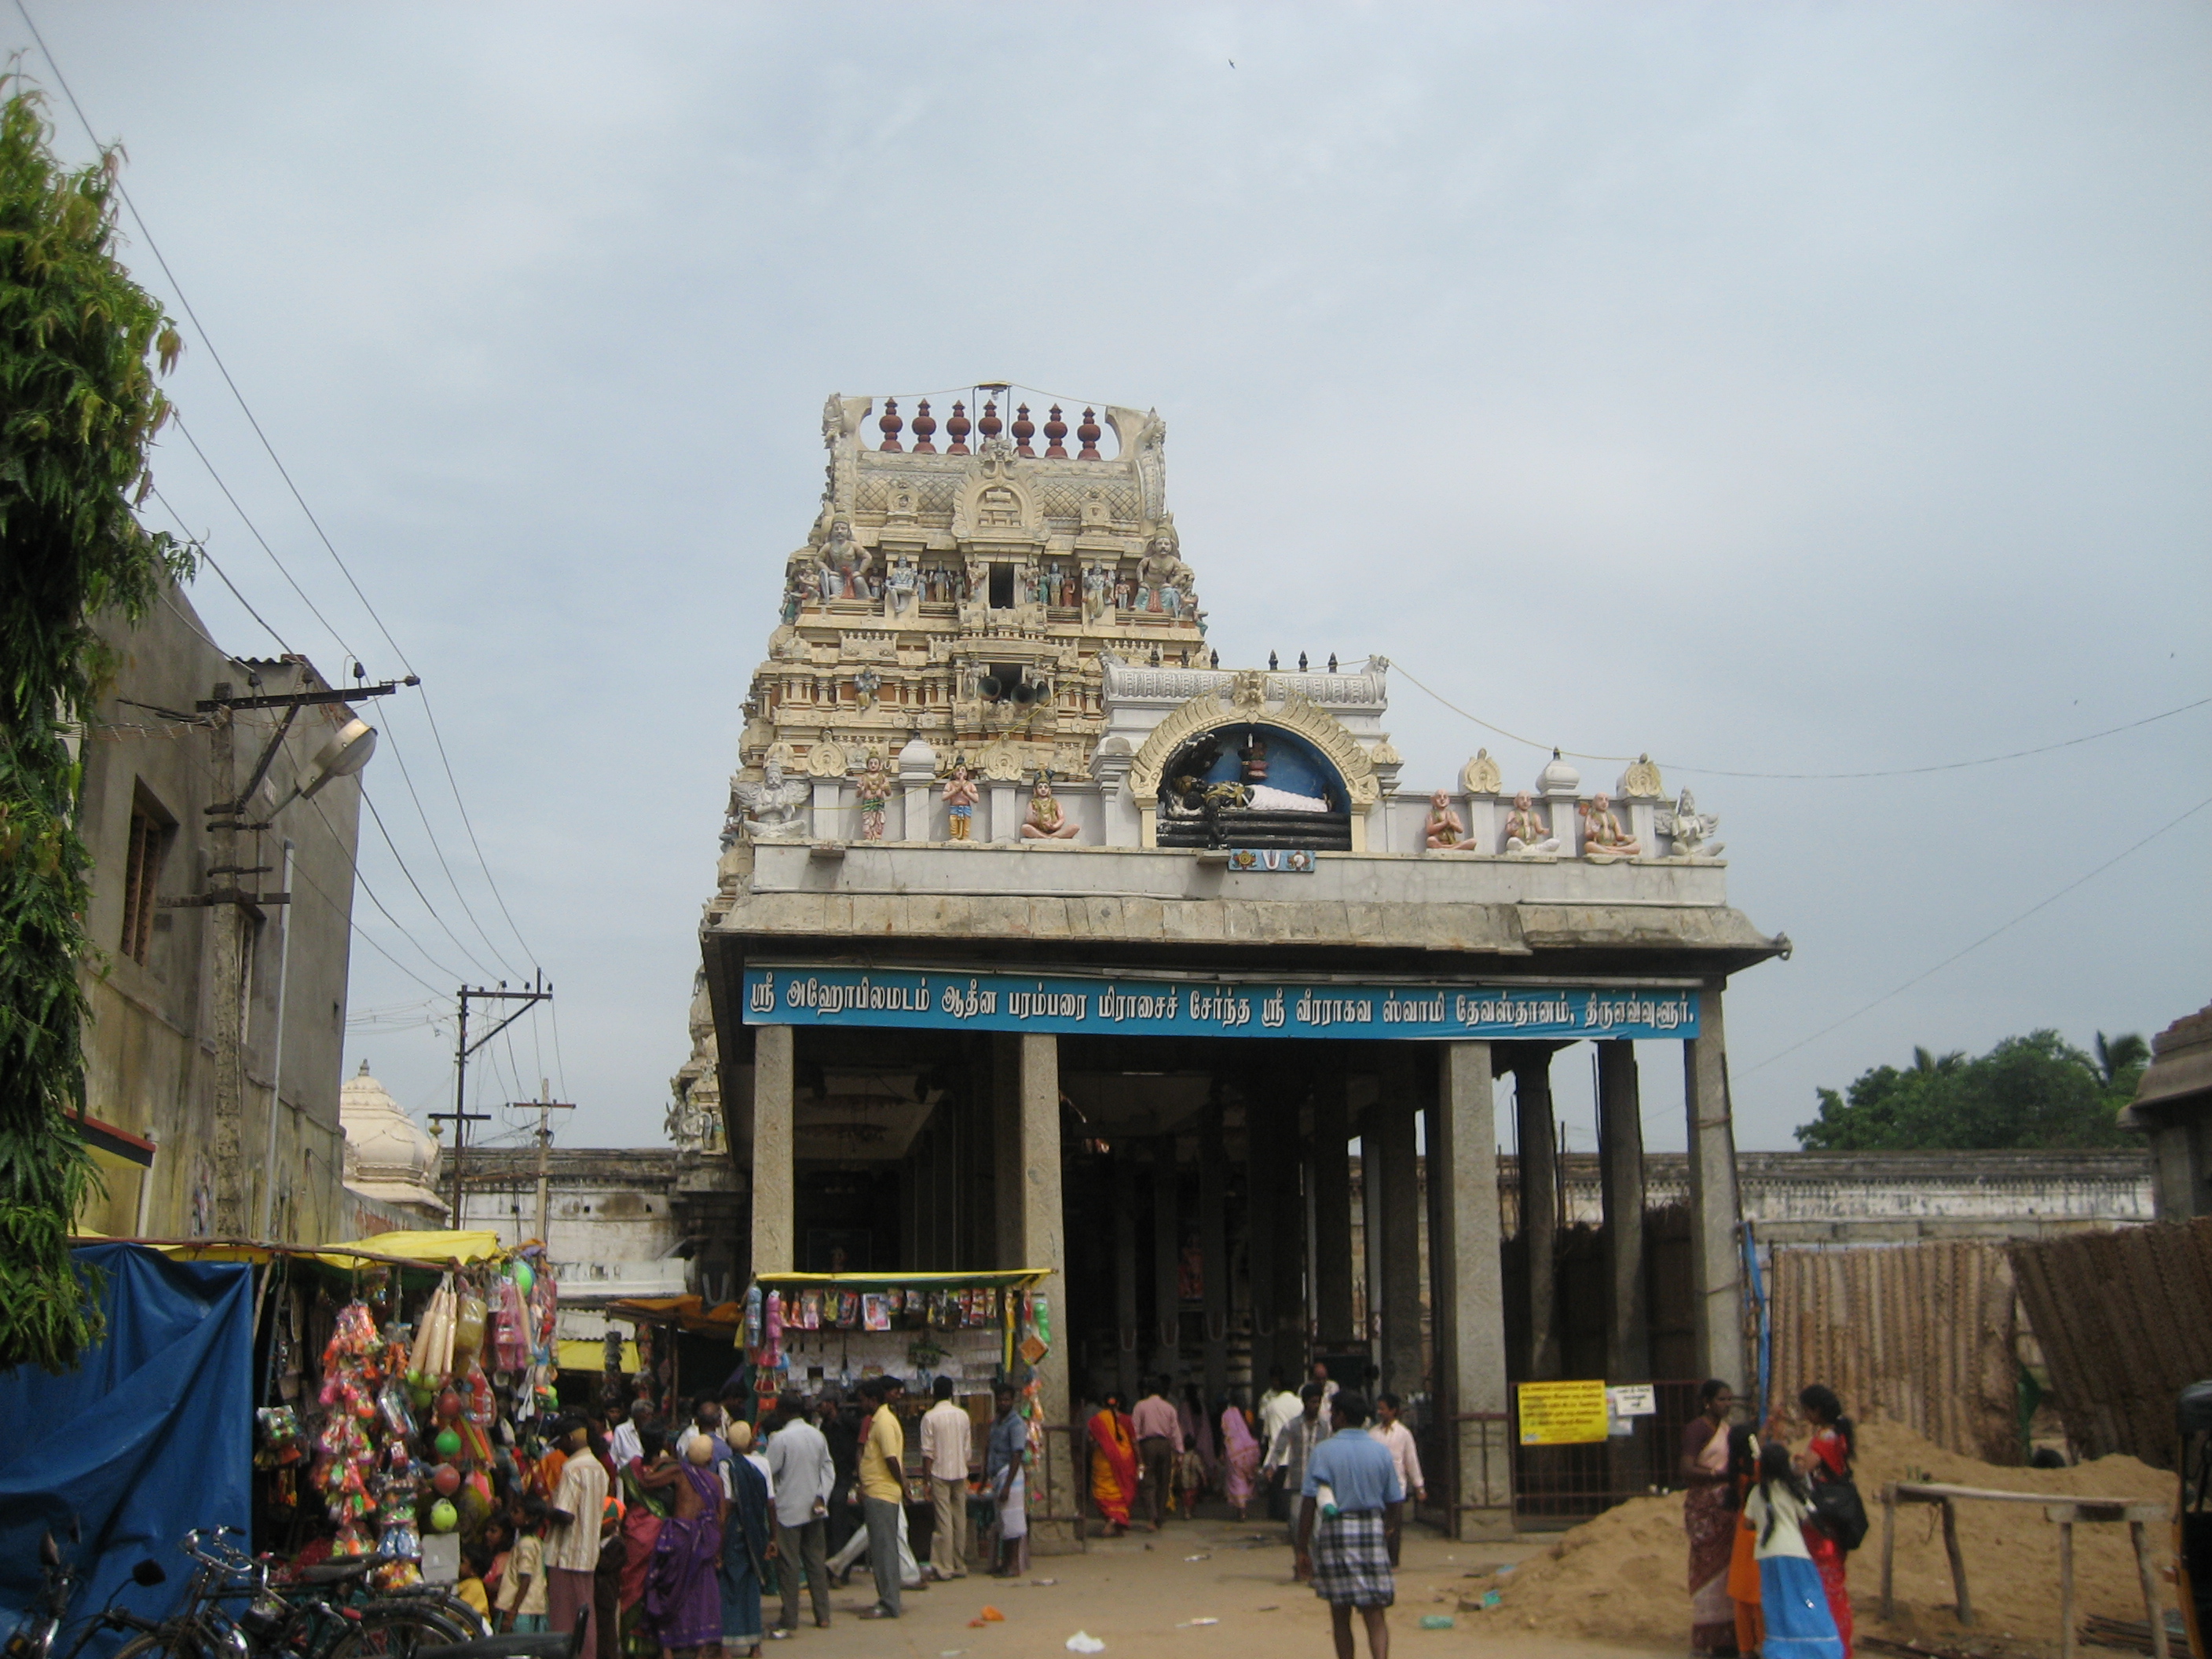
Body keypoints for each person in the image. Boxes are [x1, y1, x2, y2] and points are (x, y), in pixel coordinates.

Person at [1294, 1393, 1403, 1659]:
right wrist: (1388, 1530)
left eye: (1332, 1413)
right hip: (1371, 1530)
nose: (1330, 1417)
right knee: (1375, 1614)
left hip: (1336, 1533)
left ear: (1341, 1416)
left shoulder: (1324, 1451)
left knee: (1340, 1614)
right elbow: (1395, 1502)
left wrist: (1301, 1547)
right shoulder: (1380, 1451)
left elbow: (1308, 1503)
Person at [1745, 1441, 1843, 1659]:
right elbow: (1809, 1517)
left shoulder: (1756, 1493)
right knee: (1807, 1600)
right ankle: (1820, 1649)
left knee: (1776, 1604)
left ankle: (1782, 1651)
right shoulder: (1794, 1490)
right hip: (1795, 1553)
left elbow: (1748, 1523)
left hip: (1767, 1556)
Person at [640, 1434, 726, 1659]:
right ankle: (700, 1650)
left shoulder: (679, 1472)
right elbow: (721, 1519)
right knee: (703, 1594)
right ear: (710, 1459)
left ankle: (667, 1650)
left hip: (680, 1536)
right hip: (705, 1542)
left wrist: (659, 1463)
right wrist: (717, 1551)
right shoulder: (716, 1481)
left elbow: (646, 1482)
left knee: (672, 1592)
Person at [1793, 1386, 1856, 1659]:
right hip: (1837, 1516)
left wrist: (1795, 1461)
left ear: (1816, 1411)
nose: (1805, 1415)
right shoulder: (1839, 1434)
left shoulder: (1824, 1438)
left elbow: (1804, 1469)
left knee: (1824, 1583)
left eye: (1807, 1410)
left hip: (1823, 1520)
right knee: (1834, 1580)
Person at [763, 1392, 833, 1635]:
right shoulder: (817, 1435)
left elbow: (768, 1471)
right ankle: (822, 1614)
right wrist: (821, 1495)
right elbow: (828, 1469)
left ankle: (790, 1617)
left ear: (782, 1411)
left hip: (788, 1509)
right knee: (816, 1561)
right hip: (815, 1506)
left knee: (789, 1565)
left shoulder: (781, 1439)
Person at [1682, 1379, 1739, 1657]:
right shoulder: (1697, 1429)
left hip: (1727, 1508)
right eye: (1721, 1400)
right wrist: (1720, 1476)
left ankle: (1729, 1635)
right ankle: (1708, 1634)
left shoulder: (1728, 1430)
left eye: (1730, 1400)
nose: (1727, 1405)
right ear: (1708, 1402)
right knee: (1708, 1567)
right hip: (1705, 1508)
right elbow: (1687, 1468)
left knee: (1729, 1567)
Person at [545, 1417, 610, 1658]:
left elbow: (566, 1514)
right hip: (588, 1552)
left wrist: (544, 1509)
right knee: (585, 1615)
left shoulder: (573, 1468)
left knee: (564, 1619)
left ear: (569, 1439)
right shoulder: (598, 1469)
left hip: (566, 1554)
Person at [854, 1376, 906, 1620]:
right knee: (883, 1549)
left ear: (873, 1400)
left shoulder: (884, 1422)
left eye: (863, 1400)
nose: (860, 1404)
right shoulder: (877, 1420)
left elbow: (891, 1458)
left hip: (882, 1493)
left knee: (884, 1550)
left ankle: (888, 1603)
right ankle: (888, 1599)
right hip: (878, 1491)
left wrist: (903, 1484)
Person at [618, 1427, 673, 1657]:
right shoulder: (671, 1470)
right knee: (660, 1587)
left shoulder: (628, 1471)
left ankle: (631, 1644)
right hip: (662, 1536)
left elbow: (622, 1504)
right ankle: (660, 1644)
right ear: (663, 1442)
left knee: (632, 1587)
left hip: (634, 1536)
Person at [1263, 1382, 1334, 1560]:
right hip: (1297, 1483)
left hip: (1319, 1484)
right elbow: (1278, 1449)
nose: (1315, 1406)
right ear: (1304, 1402)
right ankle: (1302, 1560)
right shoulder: (1291, 1426)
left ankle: (1316, 1566)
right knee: (1296, 1525)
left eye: (1318, 1402)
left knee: (1317, 1530)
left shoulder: (1326, 1428)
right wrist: (1271, 1467)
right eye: (1312, 1402)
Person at [719, 1424, 771, 1659]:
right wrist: (774, 1538)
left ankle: (726, 1648)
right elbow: (771, 1503)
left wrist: (719, 1538)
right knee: (752, 1588)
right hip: (757, 1531)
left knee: (729, 1587)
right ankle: (755, 1647)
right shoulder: (763, 1463)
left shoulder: (726, 1466)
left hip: (736, 1533)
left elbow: (728, 1503)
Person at [920, 1376, 973, 1579]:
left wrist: (926, 1482)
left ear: (934, 1392)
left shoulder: (930, 1417)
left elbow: (928, 1453)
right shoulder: (963, 1416)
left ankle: (945, 1566)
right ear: (952, 1393)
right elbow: (967, 1450)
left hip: (939, 1473)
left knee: (944, 1520)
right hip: (960, 1472)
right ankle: (960, 1564)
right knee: (960, 1518)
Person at [1368, 1393, 1426, 1566]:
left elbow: (1411, 1461)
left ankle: (1393, 1561)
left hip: (1397, 1487)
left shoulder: (1403, 1434)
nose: (1380, 1412)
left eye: (1383, 1408)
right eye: (1378, 1408)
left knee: (1393, 1526)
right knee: (1377, 1525)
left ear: (1393, 1411)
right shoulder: (1372, 1434)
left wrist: (1419, 1487)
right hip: (1376, 1488)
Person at [1724, 1425, 1764, 1659]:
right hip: (1757, 1534)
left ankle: (1745, 1649)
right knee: (1758, 1597)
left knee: (1742, 1598)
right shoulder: (1757, 1471)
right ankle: (1762, 1644)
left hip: (1742, 1534)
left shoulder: (1734, 1471)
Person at [984, 1383, 1030, 1578]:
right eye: (1001, 1399)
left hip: (1010, 1475)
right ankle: (1005, 1563)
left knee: (1013, 1523)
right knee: (1003, 1523)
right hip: (998, 1474)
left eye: (1007, 1399)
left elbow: (1017, 1454)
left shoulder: (1016, 1423)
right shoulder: (997, 1422)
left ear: (1012, 1401)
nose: (1003, 1403)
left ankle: (1013, 1565)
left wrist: (1008, 1485)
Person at [1130, 1375, 1183, 1529]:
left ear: (1148, 1391)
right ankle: (1159, 1516)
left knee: (1148, 1481)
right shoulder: (1169, 1408)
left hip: (1147, 1445)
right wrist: (1180, 1452)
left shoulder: (1140, 1406)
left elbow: (1134, 1430)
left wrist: (1136, 1450)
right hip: (1165, 1445)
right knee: (1164, 1481)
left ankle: (1152, 1517)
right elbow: (1175, 1431)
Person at [1086, 1391, 1140, 1536]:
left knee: (1103, 1493)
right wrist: (1140, 1461)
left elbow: (1091, 1441)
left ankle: (1112, 1520)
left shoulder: (1097, 1420)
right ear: (1119, 1404)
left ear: (1103, 1404)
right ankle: (1116, 1521)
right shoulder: (1127, 1420)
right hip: (1125, 1460)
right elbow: (1134, 1442)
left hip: (1103, 1461)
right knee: (1122, 1492)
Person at [498, 1498, 551, 1634]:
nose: (512, 1514)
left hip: (520, 1611)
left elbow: (525, 1579)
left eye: (516, 1512)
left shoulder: (526, 1545)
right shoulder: (535, 1541)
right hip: (532, 1607)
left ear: (529, 1518)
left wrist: (511, 1614)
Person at [1258, 1371, 1302, 1522]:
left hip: (1277, 1453)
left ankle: (1277, 1515)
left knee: (1277, 1490)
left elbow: (1267, 1433)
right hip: (1295, 1452)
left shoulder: (1272, 1405)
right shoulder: (1300, 1404)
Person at [1219, 1393, 1260, 1522]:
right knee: (1248, 1480)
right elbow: (1253, 1429)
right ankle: (1244, 1508)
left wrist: (1221, 1451)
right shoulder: (1247, 1413)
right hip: (1252, 1450)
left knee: (1238, 1480)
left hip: (1235, 1452)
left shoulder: (1227, 1414)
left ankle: (1241, 1511)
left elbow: (1225, 1434)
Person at [611, 1399, 654, 1470]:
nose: (650, 1418)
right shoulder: (621, 1430)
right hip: (627, 1474)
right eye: (647, 1414)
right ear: (637, 1414)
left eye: (651, 1414)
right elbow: (613, 1457)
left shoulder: (652, 1431)